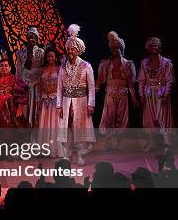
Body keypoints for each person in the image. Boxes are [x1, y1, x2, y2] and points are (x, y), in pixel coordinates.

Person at [57, 24, 96, 166]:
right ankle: (66, 154)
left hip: (81, 101)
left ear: (78, 50)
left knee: (80, 127)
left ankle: (81, 154)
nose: (70, 51)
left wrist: (91, 104)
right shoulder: (62, 67)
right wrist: (59, 105)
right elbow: (59, 87)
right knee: (66, 127)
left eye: (73, 49)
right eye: (68, 49)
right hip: (67, 101)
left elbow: (91, 87)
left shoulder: (86, 66)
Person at [96, 31, 138, 148]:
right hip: (109, 93)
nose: (115, 50)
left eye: (117, 48)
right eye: (113, 48)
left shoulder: (128, 64)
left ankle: (119, 142)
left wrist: (134, 98)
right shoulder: (105, 64)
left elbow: (130, 83)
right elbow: (100, 80)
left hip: (123, 94)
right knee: (108, 118)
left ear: (121, 49)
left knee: (121, 118)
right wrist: (92, 93)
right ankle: (108, 142)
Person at [138, 37, 174, 148]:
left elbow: (169, 80)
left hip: (161, 93)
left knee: (163, 117)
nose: (154, 47)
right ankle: (150, 141)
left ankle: (166, 142)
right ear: (148, 48)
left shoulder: (167, 63)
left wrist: (166, 94)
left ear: (159, 47)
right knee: (149, 118)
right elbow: (141, 80)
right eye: (152, 45)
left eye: (156, 45)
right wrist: (141, 94)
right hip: (149, 93)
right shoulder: (144, 63)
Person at [0, 58, 28, 128]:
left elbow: (21, 95)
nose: (4, 68)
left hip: (8, 108)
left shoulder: (15, 80)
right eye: (2, 66)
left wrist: (20, 108)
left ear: (10, 67)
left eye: (6, 66)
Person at [15, 27, 44, 127]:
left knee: (36, 111)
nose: (31, 39)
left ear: (37, 39)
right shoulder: (20, 53)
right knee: (24, 109)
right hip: (25, 85)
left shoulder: (41, 52)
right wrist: (18, 87)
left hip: (37, 84)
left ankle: (35, 136)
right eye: (30, 37)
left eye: (34, 37)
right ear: (26, 38)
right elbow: (18, 71)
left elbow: (43, 69)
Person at [37, 46, 63, 157]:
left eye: (52, 56)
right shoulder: (43, 69)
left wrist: (61, 102)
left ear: (56, 58)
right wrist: (38, 99)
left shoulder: (59, 69)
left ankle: (55, 150)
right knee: (44, 124)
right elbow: (40, 85)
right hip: (44, 100)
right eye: (48, 56)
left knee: (54, 125)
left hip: (55, 100)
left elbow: (62, 86)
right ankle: (44, 150)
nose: (50, 58)